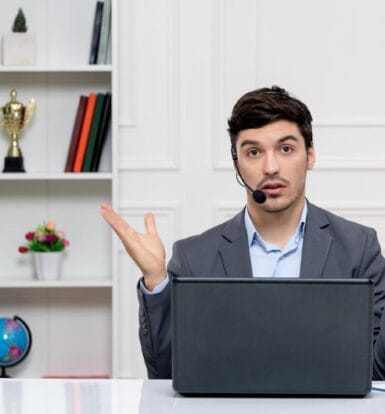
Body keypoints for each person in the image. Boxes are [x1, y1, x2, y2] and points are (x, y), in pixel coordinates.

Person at [100, 86, 385, 380]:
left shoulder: (358, 247)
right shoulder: (194, 259)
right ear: (237, 163)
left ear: (310, 155)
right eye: (253, 152)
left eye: (286, 149)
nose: (270, 167)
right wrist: (156, 280)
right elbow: (166, 373)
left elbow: (376, 373)